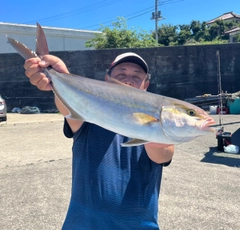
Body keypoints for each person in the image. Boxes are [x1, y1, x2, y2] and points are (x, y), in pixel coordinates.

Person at [24, 52, 174, 230]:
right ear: (107, 80)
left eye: (136, 76)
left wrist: (156, 133)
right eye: (121, 75)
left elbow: (163, 154)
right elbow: (68, 108)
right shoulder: (88, 116)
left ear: (145, 85)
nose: (128, 80)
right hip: (82, 225)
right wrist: (59, 76)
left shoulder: (155, 128)